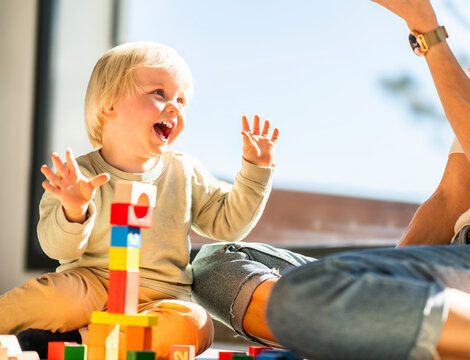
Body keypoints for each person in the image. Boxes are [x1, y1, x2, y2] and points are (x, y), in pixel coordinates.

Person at [190, 1, 470, 359]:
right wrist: (382, 285)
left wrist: (425, 26)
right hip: (461, 257)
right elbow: (452, 196)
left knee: (305, 294)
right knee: (215, 266)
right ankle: (406, 333)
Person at [0, 42, 279, 360]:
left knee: (195, 324)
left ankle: (74, 342)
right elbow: (57, 249)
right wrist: (74, 210)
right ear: (109, 105)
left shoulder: (184, 171)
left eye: (181, 100)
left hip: (158, 296)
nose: (175, 107)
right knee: (52, 299)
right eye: (159, 93)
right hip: (90, 282)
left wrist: (256, 171)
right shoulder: (77, 174)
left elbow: (229, 224)